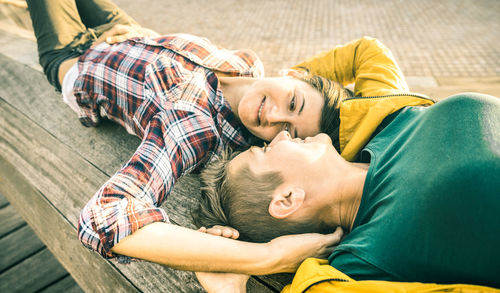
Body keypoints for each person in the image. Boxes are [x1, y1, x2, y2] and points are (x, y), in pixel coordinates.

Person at [26, 0, 433, 276]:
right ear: (294, 75)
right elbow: (367, 51)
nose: (272, 117)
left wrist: (265, 258)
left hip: (76, 60)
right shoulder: (247, 66)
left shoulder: (193, 129)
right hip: (126, 32)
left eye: (287, 132)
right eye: (291, 101)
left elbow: (105, 216)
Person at [196, 93, 500, 289]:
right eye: (264, 150)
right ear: (287, 199)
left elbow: (367, 51)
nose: (281, 135)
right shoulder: (364, 261)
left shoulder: (381, 128)